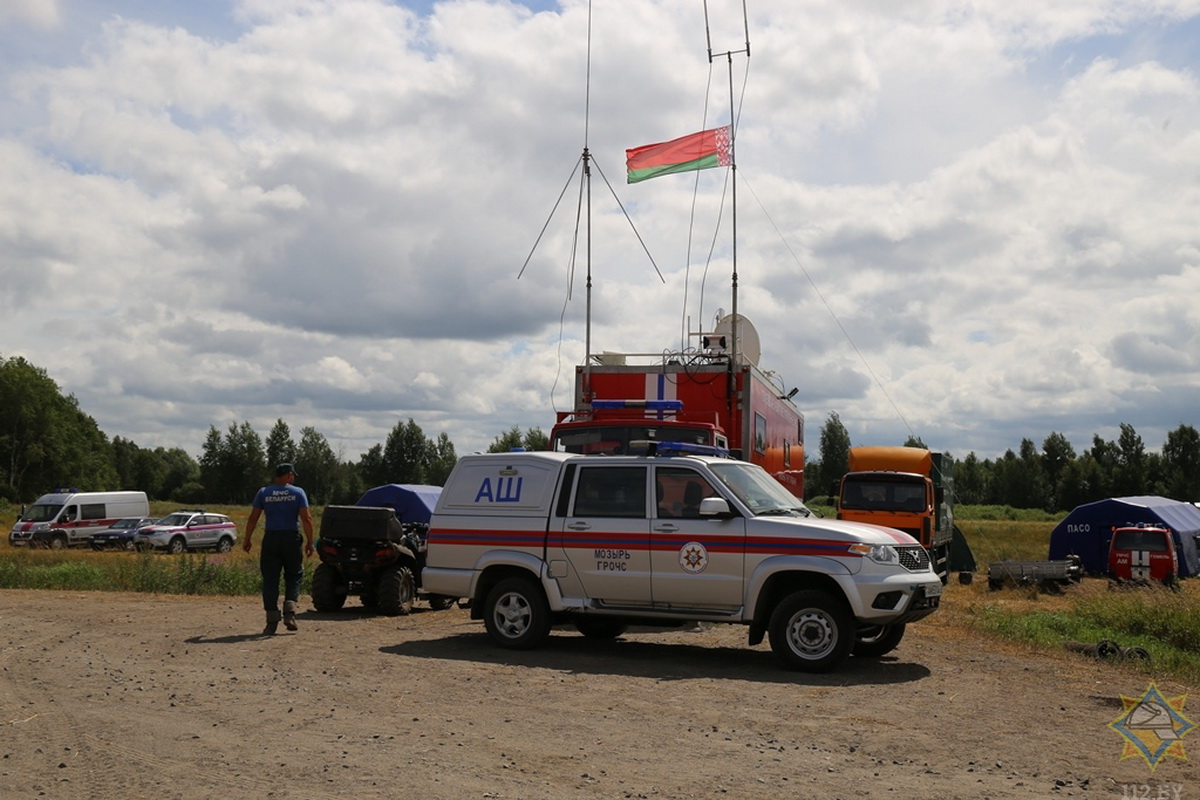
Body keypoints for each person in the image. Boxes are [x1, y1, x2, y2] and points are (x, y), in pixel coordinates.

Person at [243, 463, 315, 635]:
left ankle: (271, 621)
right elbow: (307, 518)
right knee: (294, 574)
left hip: (271, 539)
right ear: (289, 475)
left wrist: (247, 539)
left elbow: (253, 518)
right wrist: (310, 542)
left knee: (270, 578)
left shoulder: (264, 492)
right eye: (293, 475)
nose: (294, 478)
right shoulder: (298, 492)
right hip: (291, 538)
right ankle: (289, 611)